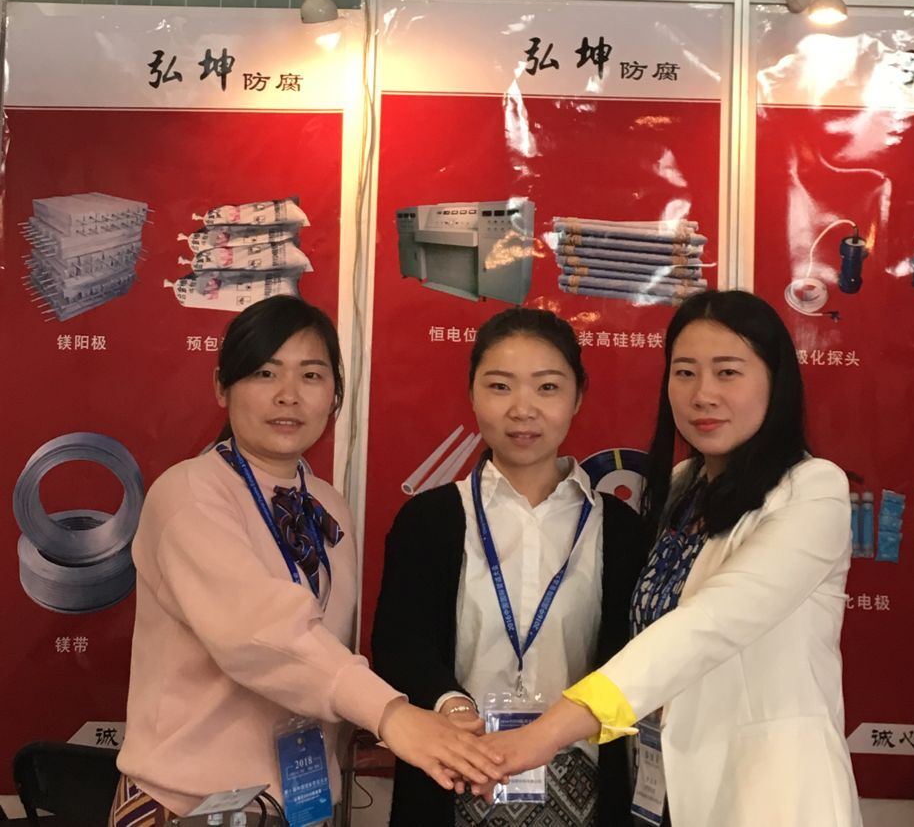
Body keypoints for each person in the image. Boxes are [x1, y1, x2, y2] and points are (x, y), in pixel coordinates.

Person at [478, 290, 863, 827]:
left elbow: (710, 623)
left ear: (775, 382)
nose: (703, 394)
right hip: (664, 789)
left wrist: (547, 732)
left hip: (767, 791)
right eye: (685, 373)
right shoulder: (683, 486)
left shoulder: (811, 489)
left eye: (727, 373)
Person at [113, 296, 501, 827]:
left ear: (335, 394)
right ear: (222, 386)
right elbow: (259, 633)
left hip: (298, 804)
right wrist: (391, 714)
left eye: (312, 375)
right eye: (265, 372)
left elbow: (327, 644)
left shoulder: (325, 504)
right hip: (188, 805)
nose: (288, 395)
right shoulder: (189, 494)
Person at [372, 307, 644, 827]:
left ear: (577, 397)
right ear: (472, 394)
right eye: (500, 386)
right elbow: (398, 644)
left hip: (586, 790)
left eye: (547, 388)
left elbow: (635, 663)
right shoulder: (429, 519)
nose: (523, 409)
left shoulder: (621, 529)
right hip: (454, 772)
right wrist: (451, 707)